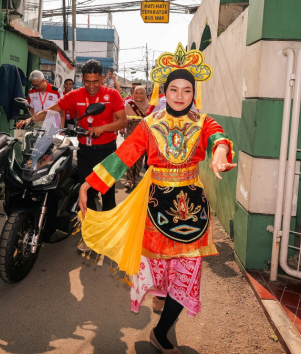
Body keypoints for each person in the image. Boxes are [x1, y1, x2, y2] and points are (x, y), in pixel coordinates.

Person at [78, 66, 236, 353]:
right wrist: (90, 183)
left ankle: (160, 332)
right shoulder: (149, 124)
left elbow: (218, 138)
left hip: (193, 209)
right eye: (174, 90)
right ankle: (162, 294)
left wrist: (220, 155)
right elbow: (124, 155)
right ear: (164, 92)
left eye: (187, 90)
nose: (180, 96)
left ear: (194, 93)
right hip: (156, 209)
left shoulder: (203, 122)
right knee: (161, 268)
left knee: (188, 271)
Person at [17, 59, 127, 212]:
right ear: (82, 79)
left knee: (108, 194)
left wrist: (103, 128)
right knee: (86, 193)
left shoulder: (112, 94)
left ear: (102, 78)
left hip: (107, 151)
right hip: (85, 151)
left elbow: (123, 121)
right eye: (87, 81)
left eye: (96, 81)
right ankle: (89, 230)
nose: (92, 86)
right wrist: (29, 119)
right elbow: (51, 110)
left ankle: (109, 232)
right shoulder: (75, 95)